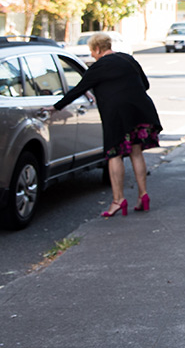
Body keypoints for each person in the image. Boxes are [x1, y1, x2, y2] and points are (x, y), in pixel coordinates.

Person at [53, 32, 161, 217]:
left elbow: (78, 89)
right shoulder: (128, 59)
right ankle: (143, 195)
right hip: (141, 111)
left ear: (97, 49)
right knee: (136, 152)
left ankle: (118, 200)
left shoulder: (98, 67)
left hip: (117, 116)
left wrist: (55, 107)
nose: (92, 55)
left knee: (114, 154)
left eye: (92, 51)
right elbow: (145, 84)